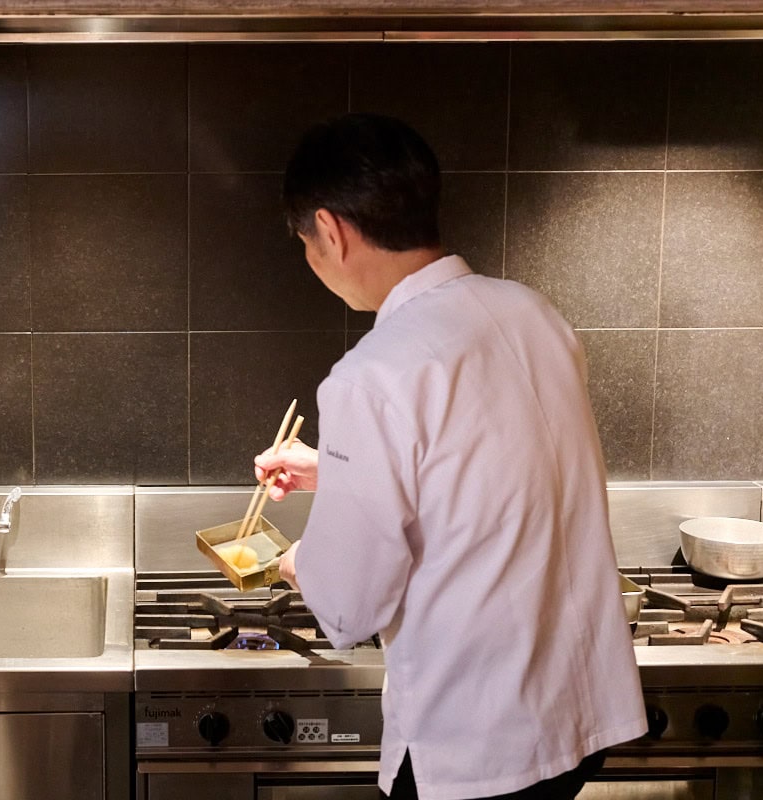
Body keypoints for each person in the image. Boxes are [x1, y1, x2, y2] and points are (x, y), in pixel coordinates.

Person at [255, 114, 647, 800]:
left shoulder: (370, 375)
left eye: (305, 244)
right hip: (574, 721)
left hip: (475, 749)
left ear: (331, 231)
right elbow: (494, 468)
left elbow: (348, 608)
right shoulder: (533, 314)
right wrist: (340, 473)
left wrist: (292, 563)